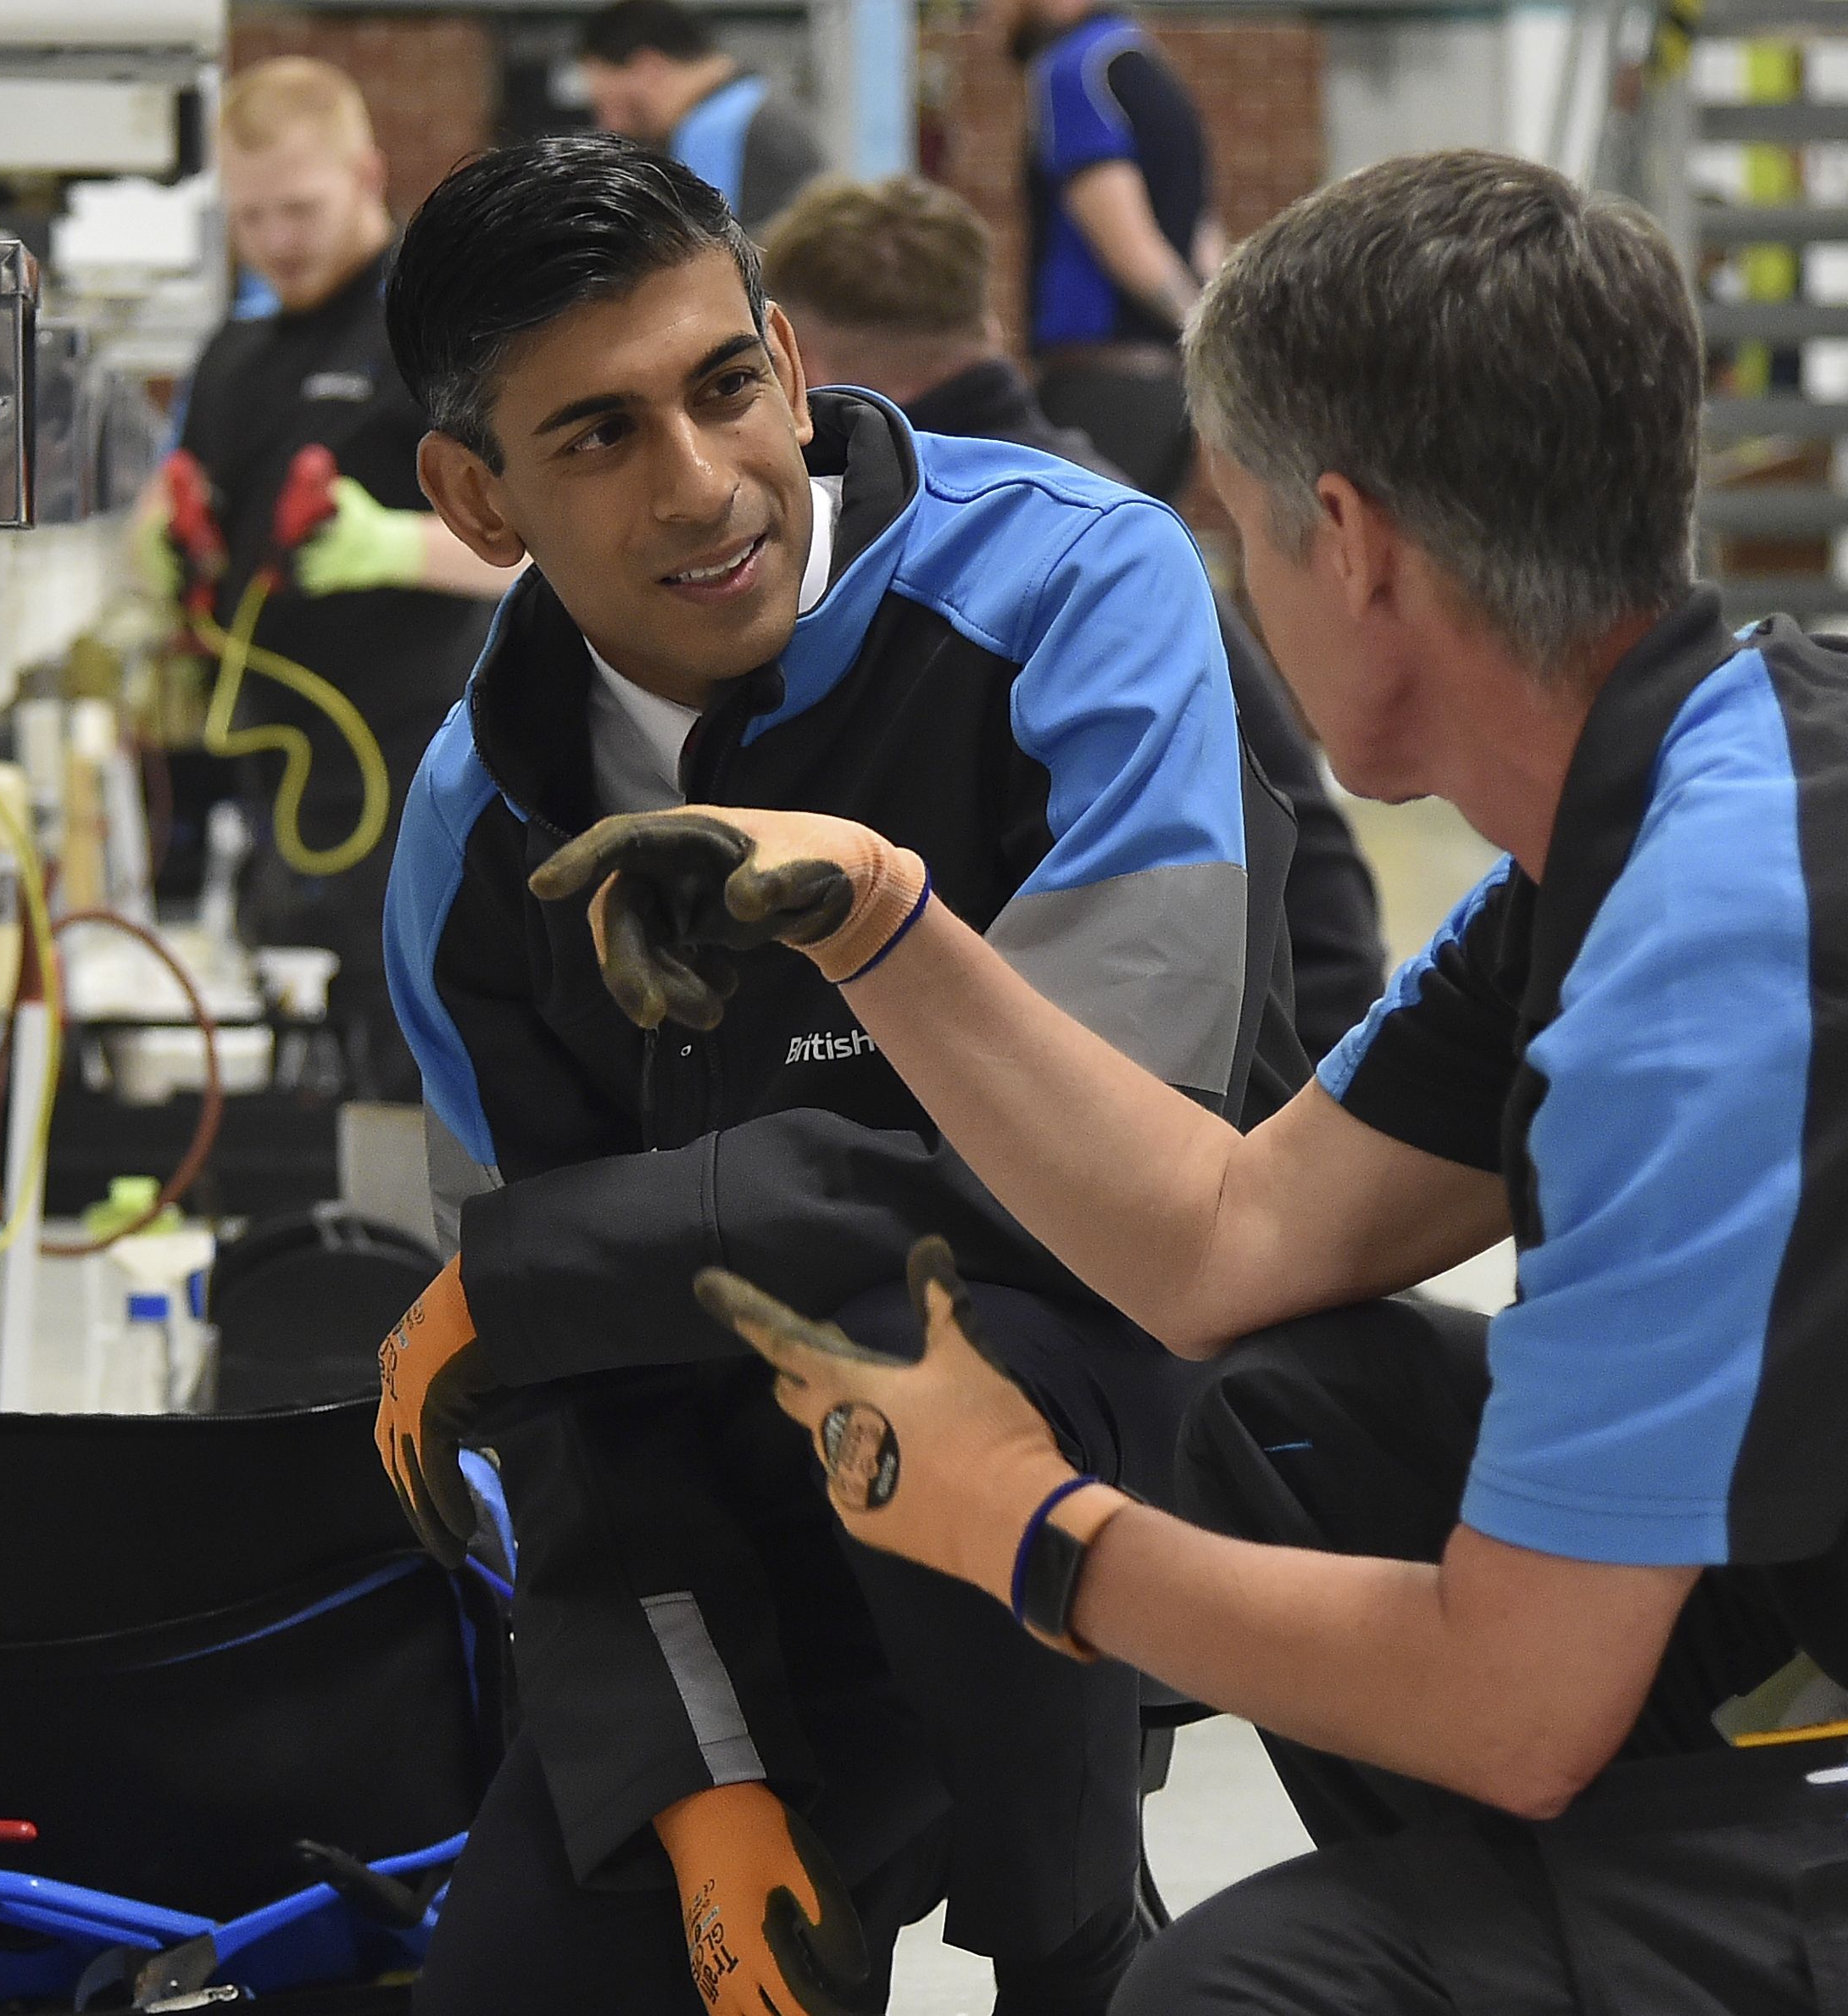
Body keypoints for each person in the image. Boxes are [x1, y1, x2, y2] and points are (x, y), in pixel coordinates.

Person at [539, 148, 1848, 2015]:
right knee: (1275, 1408)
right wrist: (877, 920)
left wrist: (1026, 1532)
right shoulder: (1687, 787)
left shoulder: (1717, 956)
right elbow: (1226, 1236)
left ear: (1350, 542)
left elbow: (1512, 1701)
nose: (1239, 587)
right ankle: (1608, 1912)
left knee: (1255, 1988)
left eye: (1239, 530)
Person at [370, 134, 1311, 2015]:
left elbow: (1112, 1173)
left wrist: (557, 1259)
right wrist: (700, 1780)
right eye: (599, 436)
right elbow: (577, 1415)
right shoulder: (471, 844)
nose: (706, 484)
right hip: (741, 1537)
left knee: (926, 1333)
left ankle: (1072, 1936)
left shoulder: (1080, 590)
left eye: (728, 389)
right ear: (477, 497)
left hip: (1110, 1436)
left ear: (794, 366)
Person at [758, 175, 1388, 1058]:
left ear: (800, 372)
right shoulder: (1088, 507)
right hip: (1307, 1022)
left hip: (1237, 1077)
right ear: (987, 329)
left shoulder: (1008, 552)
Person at [143, 58, 518, 1101]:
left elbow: (551, 552)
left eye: (300, 208)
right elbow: (200, 515)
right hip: (284, 782)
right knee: (313, 1078)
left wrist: (400, 547)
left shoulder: (441, 334)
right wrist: (172, 550)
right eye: (251, 215)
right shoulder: (234, 351)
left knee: (427, 1063)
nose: (277, 240)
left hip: (427, 768)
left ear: (367, 172)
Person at [995, 0, 1213, 500]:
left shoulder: (1072, 69)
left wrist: (1211, 346)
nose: (988, 11)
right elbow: (1201, 238)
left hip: (1103, 388)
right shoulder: (1147, 65)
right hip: (1164, 390)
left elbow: (1132, 249)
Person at [576, 0, 827, 232]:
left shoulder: (719, 131)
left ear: (649, 68)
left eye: (607, 104)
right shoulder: (759, 110)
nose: (609, 125)